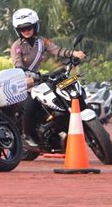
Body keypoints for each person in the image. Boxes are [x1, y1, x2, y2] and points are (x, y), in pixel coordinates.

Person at [10, 8, 86, 147]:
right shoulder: (16, 46)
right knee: (30, 104)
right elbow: (18, 66)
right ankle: (27, 135)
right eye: (23, 29)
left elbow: (57, 51)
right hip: (25, 81)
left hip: (39, 79)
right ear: (18, 30)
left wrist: (74, 54)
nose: (26, 31)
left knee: (58, 94)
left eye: (29, 27)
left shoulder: (42, 42)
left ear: (35, 26)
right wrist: (28, 75)